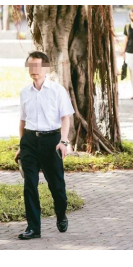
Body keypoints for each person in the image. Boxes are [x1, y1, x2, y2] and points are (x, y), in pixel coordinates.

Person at [14, 51, 75, 240]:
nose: (34, 70)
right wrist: (21, 145)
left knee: (57, 186)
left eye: (38, 66)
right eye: (31, 66)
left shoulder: (57, 90)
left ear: (46, 68)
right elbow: (23, 121)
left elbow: (66, 117)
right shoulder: (25, 92)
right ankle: (34, 228)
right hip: (30, 142)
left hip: (52, 141)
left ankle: (61, 214)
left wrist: (63, 141)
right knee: (29, 185)